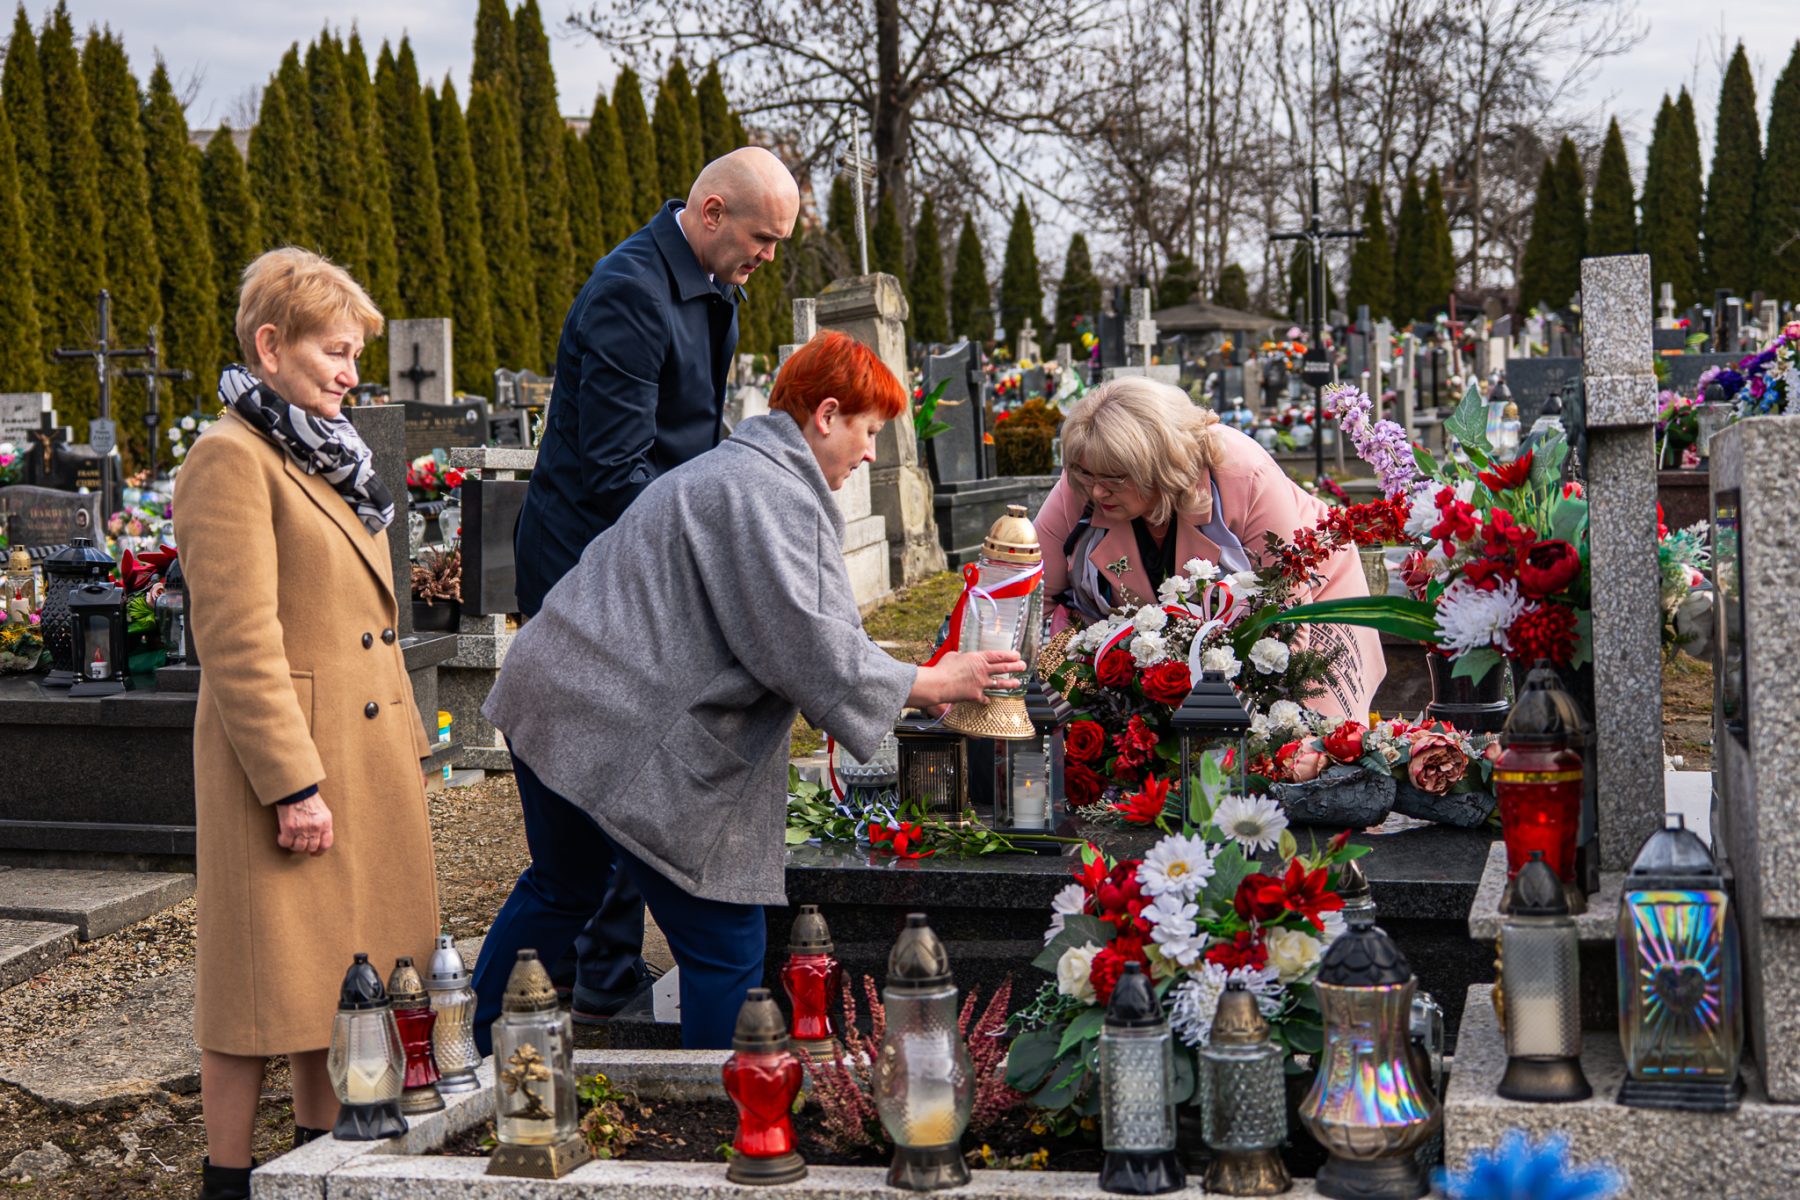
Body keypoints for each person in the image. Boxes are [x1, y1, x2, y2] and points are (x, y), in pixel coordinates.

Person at [477, 331, 1023, 1049]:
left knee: (564, 885)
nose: (869, 453)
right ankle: (721, 1103)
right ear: (826, 415)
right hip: (611, 720)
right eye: (868, 432)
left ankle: (467, 1050)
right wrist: (932, 682)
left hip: (555, 690)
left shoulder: (744, 470)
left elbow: (801, 629)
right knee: (724, 941)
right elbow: (804, 644)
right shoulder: (770, 492)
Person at [493, 147, 802, 1030]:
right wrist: (720, 553)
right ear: (712, 212)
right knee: (586, 833)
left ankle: (602, 972)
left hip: (646, 562)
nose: (767, 257)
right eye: (762, 238)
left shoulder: (711, 282)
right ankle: (542, 997)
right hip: (589, 575)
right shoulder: (630, 293)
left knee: (612, 810)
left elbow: (692, 443)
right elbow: (614, 471)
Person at [175, 248, 439, 1200]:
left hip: (357, 754)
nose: (350, 373)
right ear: (270, 345)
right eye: (335, 351)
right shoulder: (230, 457)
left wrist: (409, 745)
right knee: (259, 984)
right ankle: (230, 1179)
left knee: (337, 974)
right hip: (288, 760)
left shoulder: (315, 449)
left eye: (355, 353)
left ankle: (321, 1161)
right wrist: (292, 782)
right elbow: (237, 637)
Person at [1035, 376, 1385, 717]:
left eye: (1115, 478)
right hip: (1159, 645)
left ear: (1159, 466)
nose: (1097, 491)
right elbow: (1033, 595)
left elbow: (1287, 624)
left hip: (1310, 593)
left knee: (1303, 732)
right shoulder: (1085, 478)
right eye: (1086, 475)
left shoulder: (1245, 474)